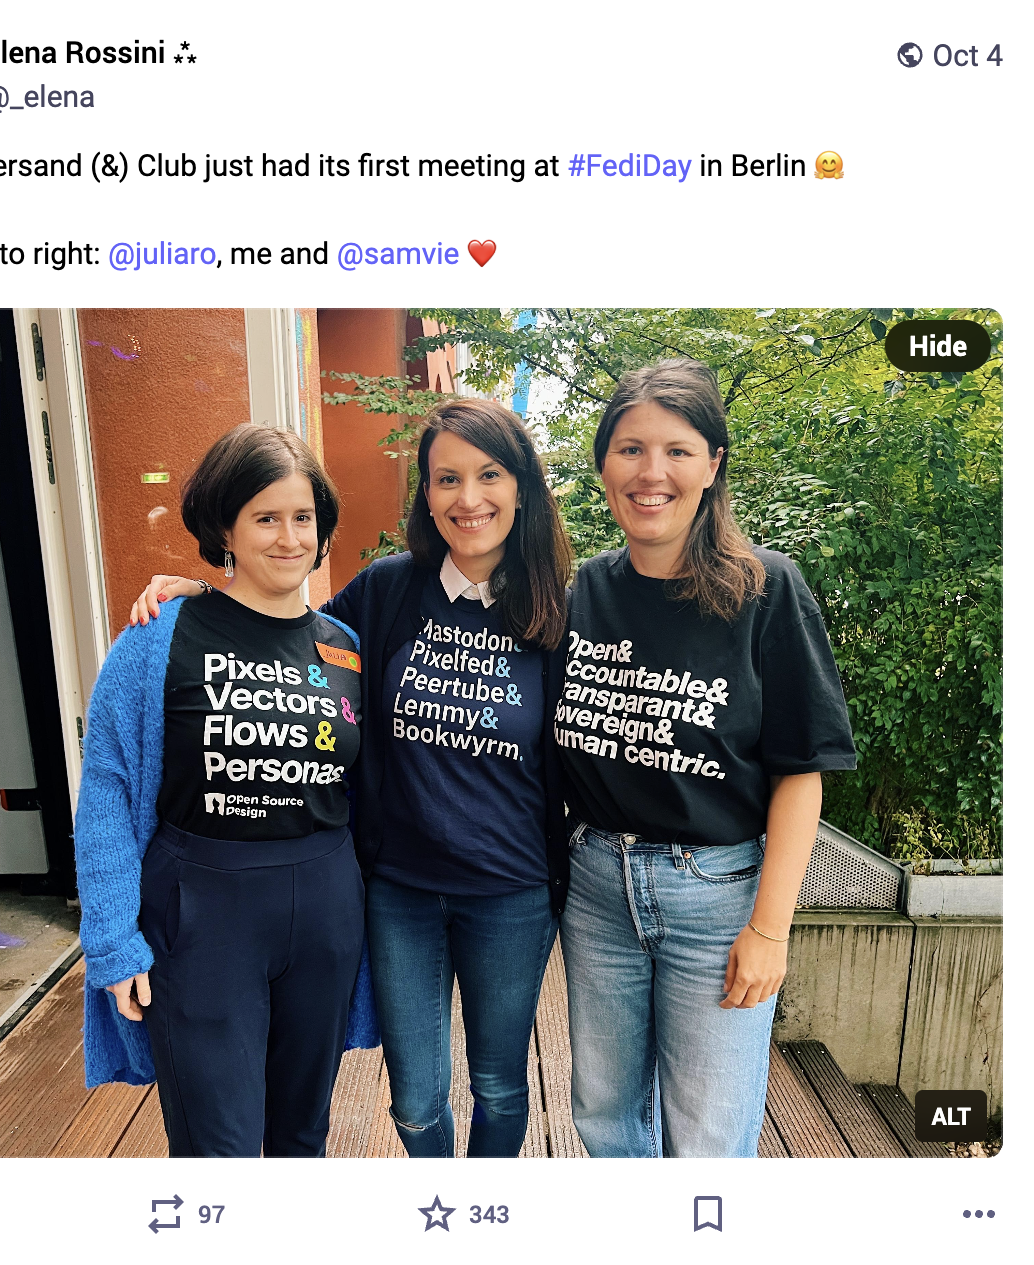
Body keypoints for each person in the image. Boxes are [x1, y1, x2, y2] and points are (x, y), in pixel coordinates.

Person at [129, 400, 573, 1158]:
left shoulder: (558, 607)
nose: (469, 498)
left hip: (510, 890)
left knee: (499, 1085)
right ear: (426, 495)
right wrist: (202, 592)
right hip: (398, 889)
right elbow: (284, 633)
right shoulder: (391, 589)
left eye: (490, 474)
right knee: (413, 1101)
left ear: (522, 486)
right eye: (446, 478)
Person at [555, 359, 857, 1157]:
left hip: (718, 897)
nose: (652, 472)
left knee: (711, 1136)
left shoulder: (766, 591)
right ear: (603, 463)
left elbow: (803, 772)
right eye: (630, 449)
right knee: (604, 1117)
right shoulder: (581, 591)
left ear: (713, 463)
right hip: (595, 889)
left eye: (678, 450)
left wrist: (770, 930)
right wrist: (231, 603)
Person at [76, 424, 376, 1158]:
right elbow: (108, 788)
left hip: (326, 911)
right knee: (220, 1146)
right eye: (265, 518)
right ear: (225, 529)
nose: (288, 538)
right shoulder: (157, 637)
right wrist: (113, 942)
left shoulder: (344, 645)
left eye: (302, 517)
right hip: (202, 917)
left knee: (301, 1133)